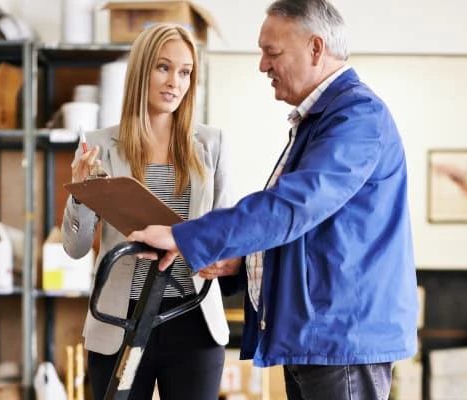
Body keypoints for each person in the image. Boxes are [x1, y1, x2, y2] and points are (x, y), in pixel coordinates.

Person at [127, 0, 419, 399]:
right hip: (315, 338)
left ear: (315, 48)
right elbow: (307, 233)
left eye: (272, 52)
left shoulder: (357, 118)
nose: (263, 65)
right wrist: (240, 261)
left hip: (341, 340)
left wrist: (186, 236)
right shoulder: (320, 120)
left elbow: (291, 207)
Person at [60, 23, 236, 400]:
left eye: (185, 72)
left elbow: (226, 233)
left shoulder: (212, 143)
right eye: (163, 67)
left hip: (193, 318)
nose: (174, 82)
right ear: (141, 70)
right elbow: (75, 248)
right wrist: (80, 195)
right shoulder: (98, 146)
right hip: (119, 322)